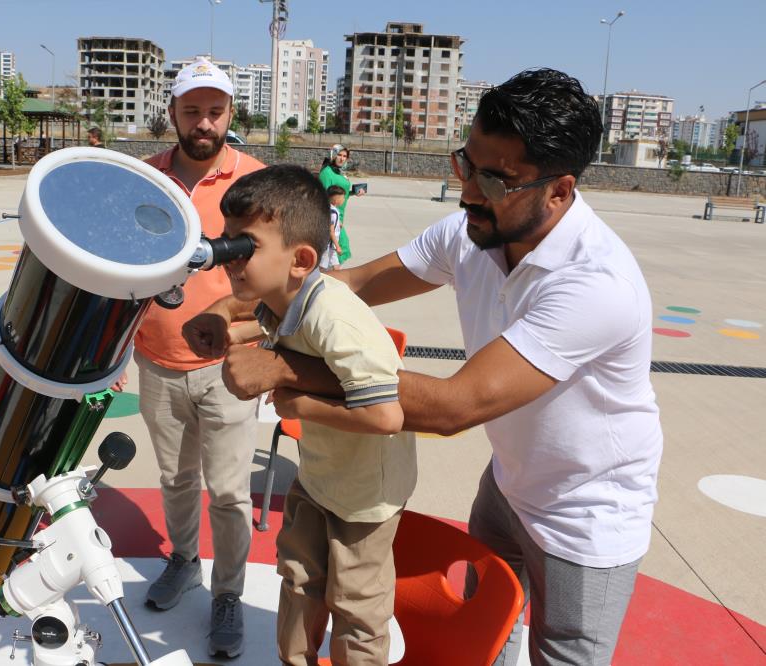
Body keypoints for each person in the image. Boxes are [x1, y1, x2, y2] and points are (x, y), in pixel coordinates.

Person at [188, 68, 663, 666]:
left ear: (559, 191)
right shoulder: (473, 231)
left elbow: (451, 407)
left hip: (586, 510)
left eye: (495, 179)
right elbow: (347, 284)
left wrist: (283, 368)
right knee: (486, 636)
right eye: (466, 164)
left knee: (563, 654)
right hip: (509, 483)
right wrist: (230, 306)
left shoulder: (595, 285)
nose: (467, 191)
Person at [217, 164, 416, 665]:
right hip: (321, 475)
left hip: (366, 495)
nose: (228, 259)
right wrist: (224, 329)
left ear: (300, 259)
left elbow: (386, 417)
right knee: (299, 579)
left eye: (244, 247)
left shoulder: (334, 314)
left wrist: (295, 402)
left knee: (356, 605)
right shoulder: (278, 300)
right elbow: (270, 333)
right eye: (225, 243)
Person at [134, 57, 264, 659]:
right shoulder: (145, 177)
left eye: (214, 111)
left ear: (230, 114)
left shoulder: (257, 184)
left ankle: (228, 595)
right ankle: (183, 559)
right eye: (192, 110)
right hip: (157, 362)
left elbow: (276, 281)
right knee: (176, 479)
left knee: (231, 494)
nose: (203, 122)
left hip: (228, 370)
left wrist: (244, 333)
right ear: (173, 114)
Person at [318, 144, 363, 265]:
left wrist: (354, 192)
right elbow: (324, 197)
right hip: (332, 217)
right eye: (339, 155)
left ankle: (330, 275)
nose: (342, 158)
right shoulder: (327, 173)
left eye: (345, 156)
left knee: (335, 252)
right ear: (333, 155)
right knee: (339, 248)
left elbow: (338, 193)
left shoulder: (339, 172)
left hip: (339, 215)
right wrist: (333, 220)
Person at [319, 185, 344, 272]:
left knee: (335, 267)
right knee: (322, 267)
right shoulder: (332, 212)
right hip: (329, 245)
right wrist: (338, 246)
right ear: (336, 200)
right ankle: (315, 279)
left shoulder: (332, 209)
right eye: (343, 198)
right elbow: (331, 231)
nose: (343, 200)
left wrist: (339, 223)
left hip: (331, 246)